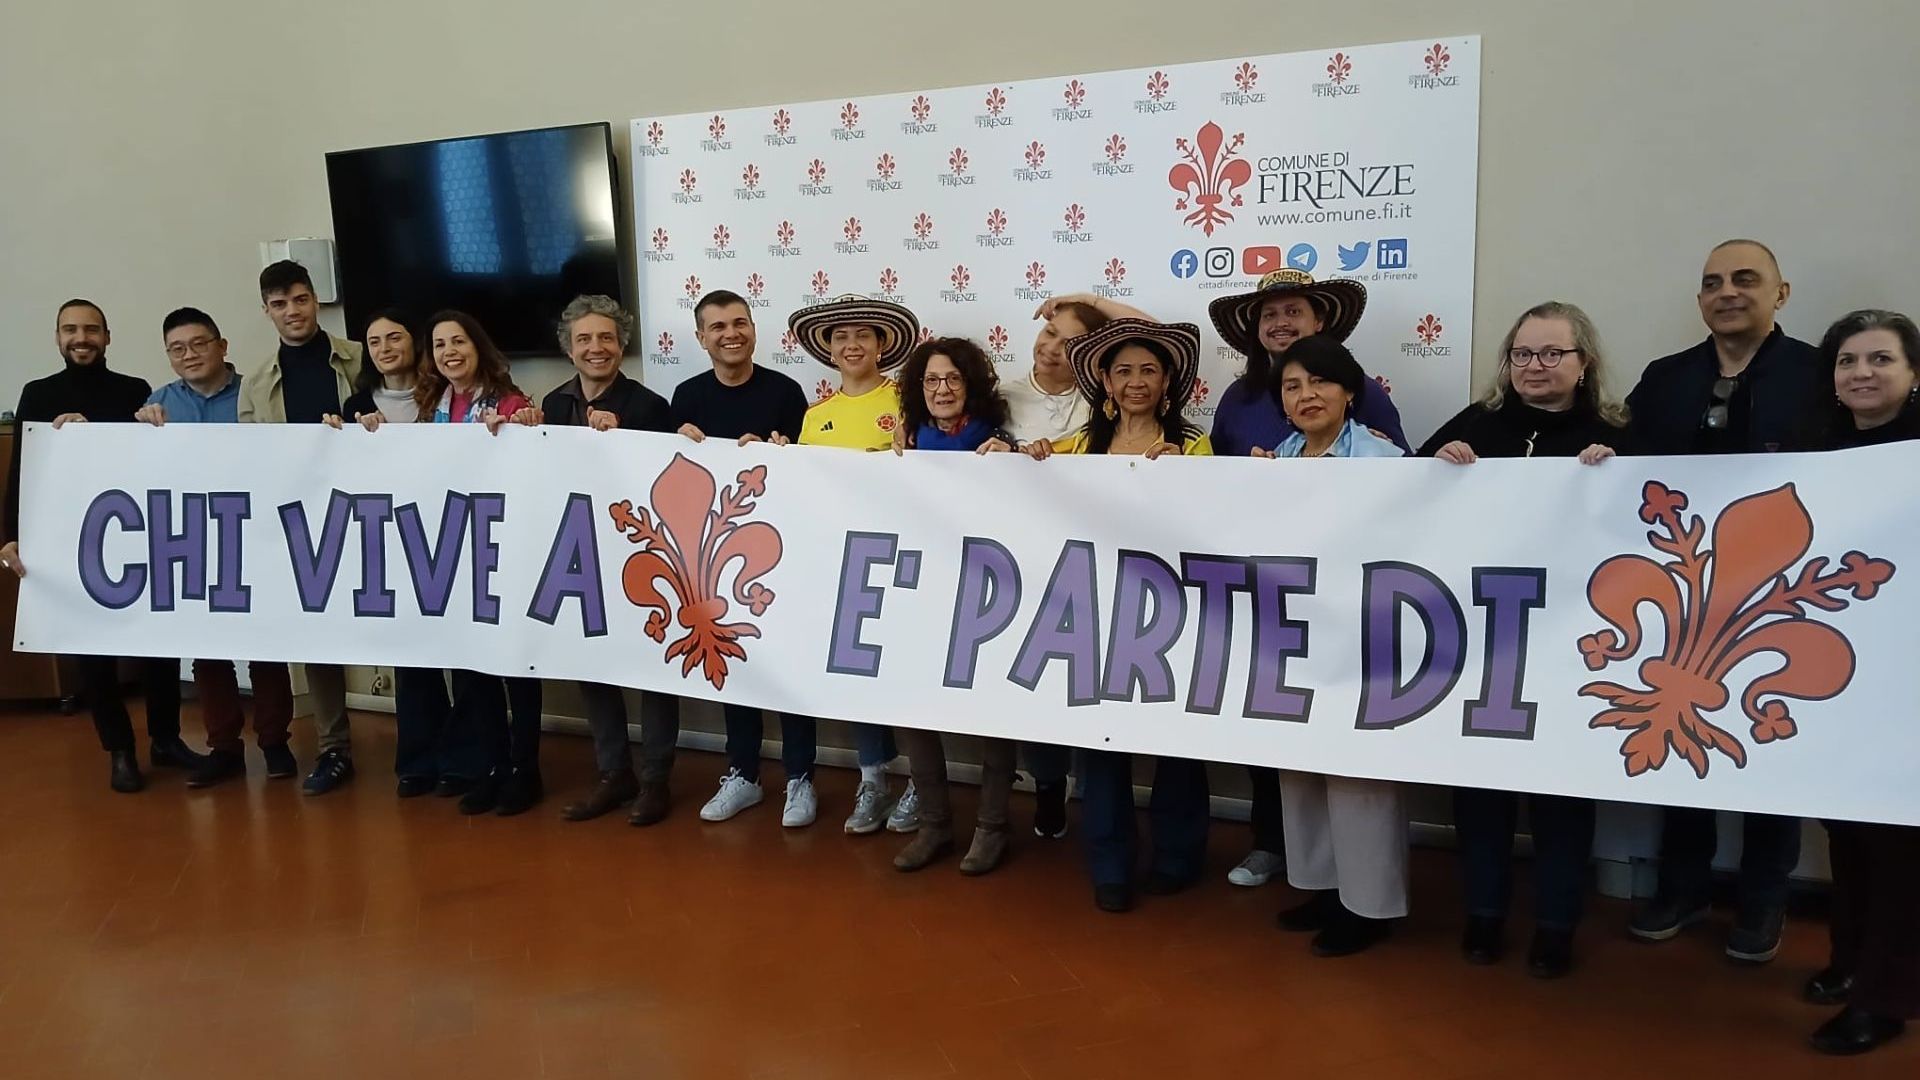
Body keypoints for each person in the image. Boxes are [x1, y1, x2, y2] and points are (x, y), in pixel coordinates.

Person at [1622, 239, 1821, 962]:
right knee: (1683, 735)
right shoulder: (1666, 378)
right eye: (1712, 282)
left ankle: (1765, 898)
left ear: (1781, 293)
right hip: (1684, 591)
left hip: (1785, 593)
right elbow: (1626, 471)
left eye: (1745, 279)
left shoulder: (1820, 374)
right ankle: (1684, 885)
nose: (1727, 292)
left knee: (1771, 739)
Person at [1418, 301, 1625, 977]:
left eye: (1552, 353)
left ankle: (1557, 924)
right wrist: (1438, 464)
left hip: (1575, 648)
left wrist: (1618, 475)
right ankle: (1484, 914)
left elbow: (1649, 523)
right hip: (1485, 644)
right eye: (1523, 354)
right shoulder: (1478, 423)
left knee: (1564, 790)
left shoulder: (1615, 433)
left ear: (1583, 363)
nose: (1536, 366)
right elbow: (1405, 499)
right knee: (1482, 789)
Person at [1204, 268, 1408, 888]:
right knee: (1285, 746)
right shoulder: (1242, 404)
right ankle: (1302, 869)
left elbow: (1409, 502)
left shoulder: (1372, 431)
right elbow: (1215, 489)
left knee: (1353, 761)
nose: (1280, 322)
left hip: (1354, 621)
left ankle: (1366, 895)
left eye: (1293, 311)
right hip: (1278, 609)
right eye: (1269, 313)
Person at [1024, 318, 1212, 913]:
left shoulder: (1195, 445)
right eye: (1124, 371)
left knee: (1178, 741)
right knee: (1101, 742)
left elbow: (1217, 521)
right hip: (1097, 616)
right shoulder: (1080, 446)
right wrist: (1025, 459)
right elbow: (1031, 491)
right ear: (1105, 381)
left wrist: (1189, 477)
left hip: (1175, 617)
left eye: (1149, 370)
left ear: (1167, 382)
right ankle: (1109, 864)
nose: (1136, 382)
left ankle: (1177, 857)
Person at [0, 299, 208, 792]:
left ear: (107, 336)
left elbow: (152, 461)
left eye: (91, 329)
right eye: (70, 329)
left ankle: (165, 739)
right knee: (91, 651)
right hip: (72, 539)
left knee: (158, 643)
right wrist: (11, 534)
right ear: (57, 337)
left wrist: (154, 425)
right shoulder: (38, 394)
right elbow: (23, 469)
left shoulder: (134, 390)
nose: (81, 338)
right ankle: (119, 749)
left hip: (138, 534)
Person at [1253, 334, 1409, 956]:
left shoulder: (1383, 460)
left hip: (1364, 637)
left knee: (1357, 773)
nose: (1306, 395)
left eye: (1319, 381)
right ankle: (1323, 886)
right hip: (1295, 635)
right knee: (1301, 765)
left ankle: (1369, 906)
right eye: (1292, 386)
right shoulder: (1280, 459)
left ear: (1349, 391)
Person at [1800, 309, 1920, 1056]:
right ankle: (1850, 960)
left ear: (1913, 373)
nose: (1862, 373)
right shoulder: (1818, 452)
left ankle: (1888, 998)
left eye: (1880, 359)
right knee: (1848, 829)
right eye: (1848, 361)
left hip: (1908, 676)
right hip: (1841, 673)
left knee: (1901, 843)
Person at [134, 307, 297, 789]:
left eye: (199, 344)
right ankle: (224, 748)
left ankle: (275, 742)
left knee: (266, 645)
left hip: (255, 533)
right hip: (193, 541)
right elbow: (137, 469)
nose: (189, 355)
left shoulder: (256, 393)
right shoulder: (158, 404)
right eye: (177, 349)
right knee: (207, 649)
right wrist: (139, 431)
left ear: (222, 346)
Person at [675, 291, 819, 828]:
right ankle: (743, 773)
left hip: (779, 550)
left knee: (787, 665)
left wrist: (783, 451)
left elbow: (812, 471)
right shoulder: (686, 396)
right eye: (717, 326)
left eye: (740, 322)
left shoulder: (786, 392)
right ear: (701, 337)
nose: (730, 333)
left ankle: (800, 776)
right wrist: (678, 442)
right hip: (714, 558)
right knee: (735, 663)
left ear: (755, 328)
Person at [539, 295, 682, 826]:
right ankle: (613, 772)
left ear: (622, 345)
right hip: (580, 553)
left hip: (640, 554)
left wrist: (625, 438)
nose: (595, 348)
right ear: (569, 348)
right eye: (584, 339)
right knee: (593, 663)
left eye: (606, 338)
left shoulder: (651, 406)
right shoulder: (553, 404)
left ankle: (656, 779)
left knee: (652, 666)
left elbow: (665, 481)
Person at [324, 310, 473, 799]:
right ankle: (418, 760)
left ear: (415, 342)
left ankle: (461, 760)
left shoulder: (444, 396)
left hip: (452, 534)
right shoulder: (357, 404)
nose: (385, 348)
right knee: (411, 656)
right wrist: (339, 432)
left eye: (395, 337)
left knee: (462, 655)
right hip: (392, 540)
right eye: (374, 341)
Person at [788, 294, 919, 836]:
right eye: (841, 337)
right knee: (857, 671)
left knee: (910, 671)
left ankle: (921, 782)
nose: (852, 345)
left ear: (882, 344)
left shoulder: (909, 400)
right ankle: (873, 780)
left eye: (863, 334)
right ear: (828, 349)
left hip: (904, 560)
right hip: (843, 564)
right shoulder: (815, 416)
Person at [889, 337, 1019, 874]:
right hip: (924, 590)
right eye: (931, 380)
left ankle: (992, 827)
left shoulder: (998, 440)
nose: (942, 389)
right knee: (914, 705)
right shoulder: (907, 441)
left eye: (953, 379)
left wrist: (1015, 461)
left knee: (994, 710)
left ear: (970, 384)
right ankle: (934, 824)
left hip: (989, 593)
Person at [238, 259, 365, 796]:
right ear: (266, 311)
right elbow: (252, 458)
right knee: (319, 635)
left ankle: (426, 742)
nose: (292, 311)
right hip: (303, 522)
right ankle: (334, 748)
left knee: (407, 624)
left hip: (373, 512)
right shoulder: (256, 383)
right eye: (279, 304)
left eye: (300, 299)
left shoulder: (360, 357)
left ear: (316, 300)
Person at [415, 310, 545, 815]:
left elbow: (535, 463)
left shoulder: (511, 402)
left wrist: (523, 428)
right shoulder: (431, 409)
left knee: (515, 665)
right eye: (440, 344)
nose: (450, 352)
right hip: (454, 554)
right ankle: (492, 765)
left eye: (459, 341)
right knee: (474, 670)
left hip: (505, 553)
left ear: (478, 347)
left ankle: (525, 769)